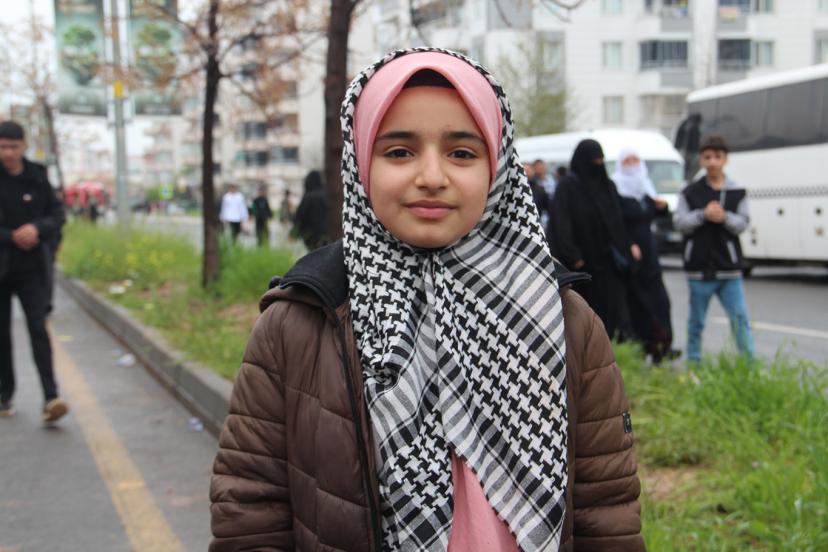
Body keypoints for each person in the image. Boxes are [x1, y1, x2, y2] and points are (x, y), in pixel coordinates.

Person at [210, 49, 643, 551]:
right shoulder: (299, 323)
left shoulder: (562, 318)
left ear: (498, 166)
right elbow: (251, 511)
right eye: (399, 152)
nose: (432, 176)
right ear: (360, 164)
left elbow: (605, 511)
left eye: (462, 153)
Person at [0, 121, 68, 421]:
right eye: (3, 146)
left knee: (39, 329)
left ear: (24, 146)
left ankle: (51, 397)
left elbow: (57, 214)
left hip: (32, 269)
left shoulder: (38, 176)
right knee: (2, 336)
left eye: (13, 146)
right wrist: (11, 236)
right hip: (1, 267)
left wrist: (36, 229)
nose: (8, 152)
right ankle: (4, 396)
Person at [548, 139, 640, 340]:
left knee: (612, 312)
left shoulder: (608, 186)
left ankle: (613, 344)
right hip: (581, 267)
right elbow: (561, 224)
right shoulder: (568, 187)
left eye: (600, 160)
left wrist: (628, 245)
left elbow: (617, 222)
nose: (598, 165)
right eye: (593, 161)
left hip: (607, 263)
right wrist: (574, 256)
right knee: (583, 317)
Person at [674, 134, 754, 364]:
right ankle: (694, 365)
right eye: (707, 157)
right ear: (701, 160)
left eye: (717, 157)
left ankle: (749, 366)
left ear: (725, 159)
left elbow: (743, 223)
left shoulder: (737, 191)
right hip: (699, 270)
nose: (712, 162)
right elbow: (680, 223)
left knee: (740, 320)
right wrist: (703, 215)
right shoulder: (689, 191)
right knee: (696, 322)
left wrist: (724, 217)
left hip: (730, 270)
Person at [613, 147, 677, 362]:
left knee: (661, 300)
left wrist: (662, 207)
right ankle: (643, 346)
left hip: (649, 250)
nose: (632, 164)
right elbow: (615, 222)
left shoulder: (645, 185)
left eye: (635, 159)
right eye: (627, 160)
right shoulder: (616, 187)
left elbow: (653, 213)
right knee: (639, 302)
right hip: (631, 254)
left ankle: (663, 346)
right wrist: (628, 244)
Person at [292, 170, 328, 250]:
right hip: (327, 235)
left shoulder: (308, 197)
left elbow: (299, 217)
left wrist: (294, 234)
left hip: (311, 236)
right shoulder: (326, 195)